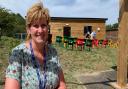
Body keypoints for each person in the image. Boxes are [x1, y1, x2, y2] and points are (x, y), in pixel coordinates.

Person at [4, 2, 66, 89]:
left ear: (48, 28)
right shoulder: (18, 54)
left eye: (43, 25)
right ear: (29, 29)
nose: (40, 30)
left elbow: (62, 84)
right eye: (36, 26)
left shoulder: (53, 52)